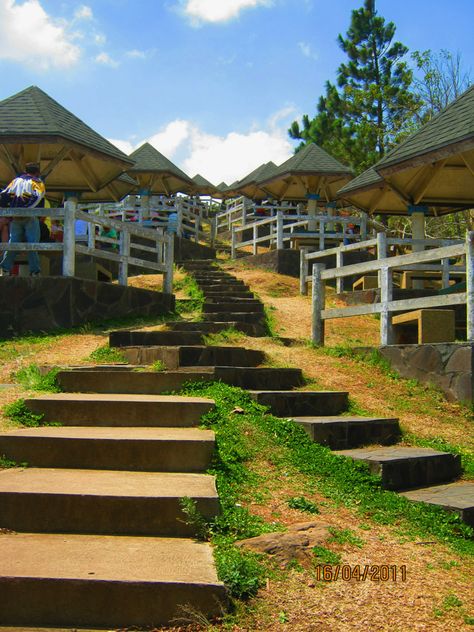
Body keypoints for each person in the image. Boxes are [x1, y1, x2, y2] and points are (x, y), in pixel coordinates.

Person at [0, 162, 45, 276]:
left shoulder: (15, 181)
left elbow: (4, 195)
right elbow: (38, 196)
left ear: (26, 171)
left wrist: (8, 210)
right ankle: (34, 271)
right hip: (30, 216)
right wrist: (27, 208)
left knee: (13, 244)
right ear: (37, 173)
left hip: (15, 217)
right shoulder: (37, 182)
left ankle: (4, 269)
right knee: (32, 244)